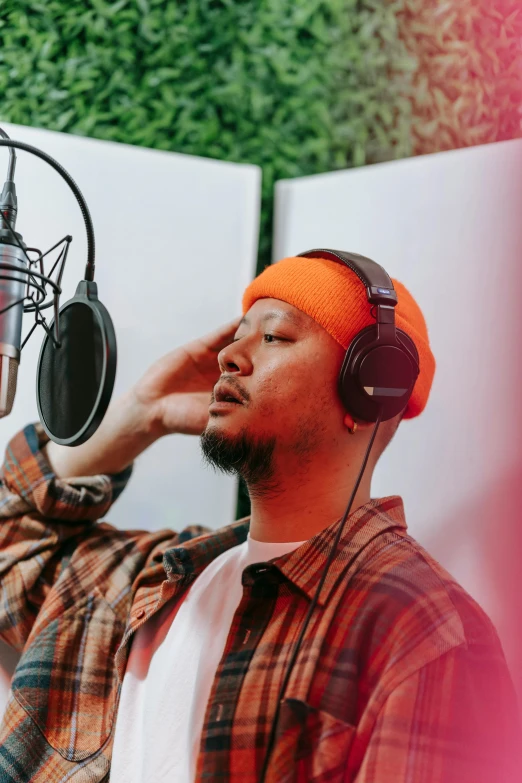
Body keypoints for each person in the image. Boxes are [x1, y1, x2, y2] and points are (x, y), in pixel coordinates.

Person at [0, 254, 519, 783]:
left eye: (274, 337)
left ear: (371, 385)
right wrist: (141, 414)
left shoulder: (422, 633)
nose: (228, 356)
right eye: (237, 334)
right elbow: (12, 542)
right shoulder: (157, 578)